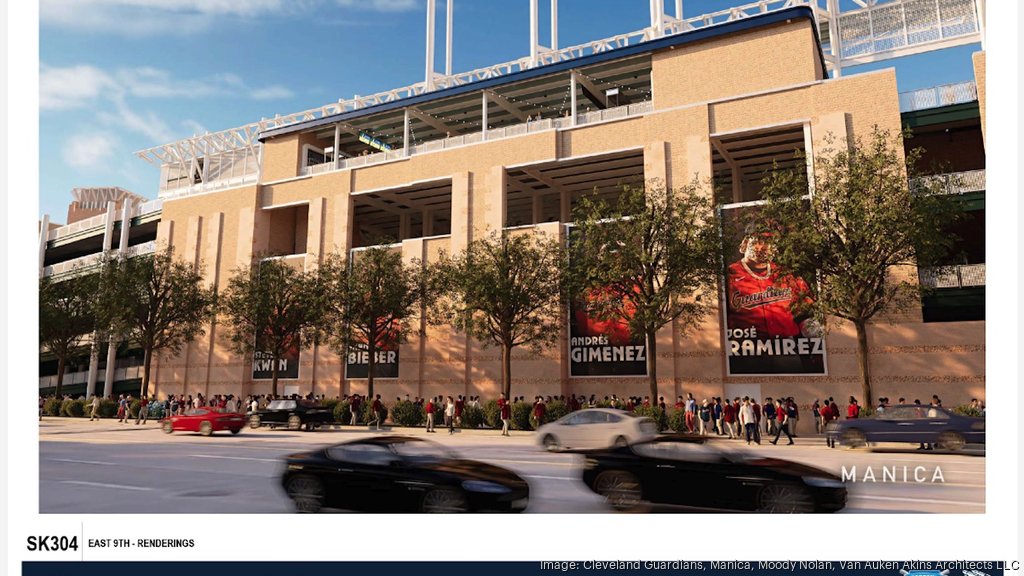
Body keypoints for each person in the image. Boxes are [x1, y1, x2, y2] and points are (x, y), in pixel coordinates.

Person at [724, 224, 823, 374]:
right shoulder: (729, 276)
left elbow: (805, 313)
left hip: (786, 349)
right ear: (744, 243)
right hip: (747, 353)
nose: (763, 247)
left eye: (769, 242)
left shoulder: (785, 274)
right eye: (758, 240)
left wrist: (818, 342)